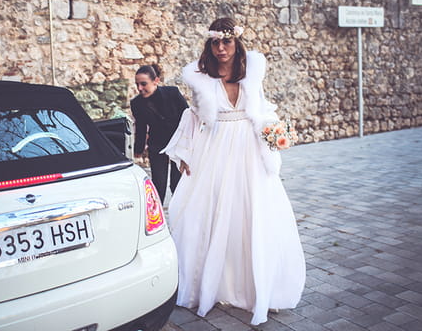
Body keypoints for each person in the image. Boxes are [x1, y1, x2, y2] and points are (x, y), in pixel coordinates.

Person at [162, 17, 305, 325]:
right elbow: (193, 116)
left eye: (227, 41)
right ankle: (209, 286)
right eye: (215, 42)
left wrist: (275, 132)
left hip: (250, 151)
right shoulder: (200, 79)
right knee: (210, 213)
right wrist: (185, 152)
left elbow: (263, 108)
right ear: (209, 45)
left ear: (236, 43)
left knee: (252, 215)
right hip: (215, 149)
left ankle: (259, 291)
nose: (221, 48)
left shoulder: (252, 73)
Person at [130, 64, 188, 203]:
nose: (139, 88)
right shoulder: (136, 103)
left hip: (179, 144)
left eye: (143, 84)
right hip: (157, 145)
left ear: (155, 81)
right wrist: (138, 149)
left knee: (178, 185)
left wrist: (190, 142)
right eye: (137, 84)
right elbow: (141, 127)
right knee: (158, 186)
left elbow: (188, 117)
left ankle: (179, 218)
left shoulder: (172, 93)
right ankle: (158, 218)